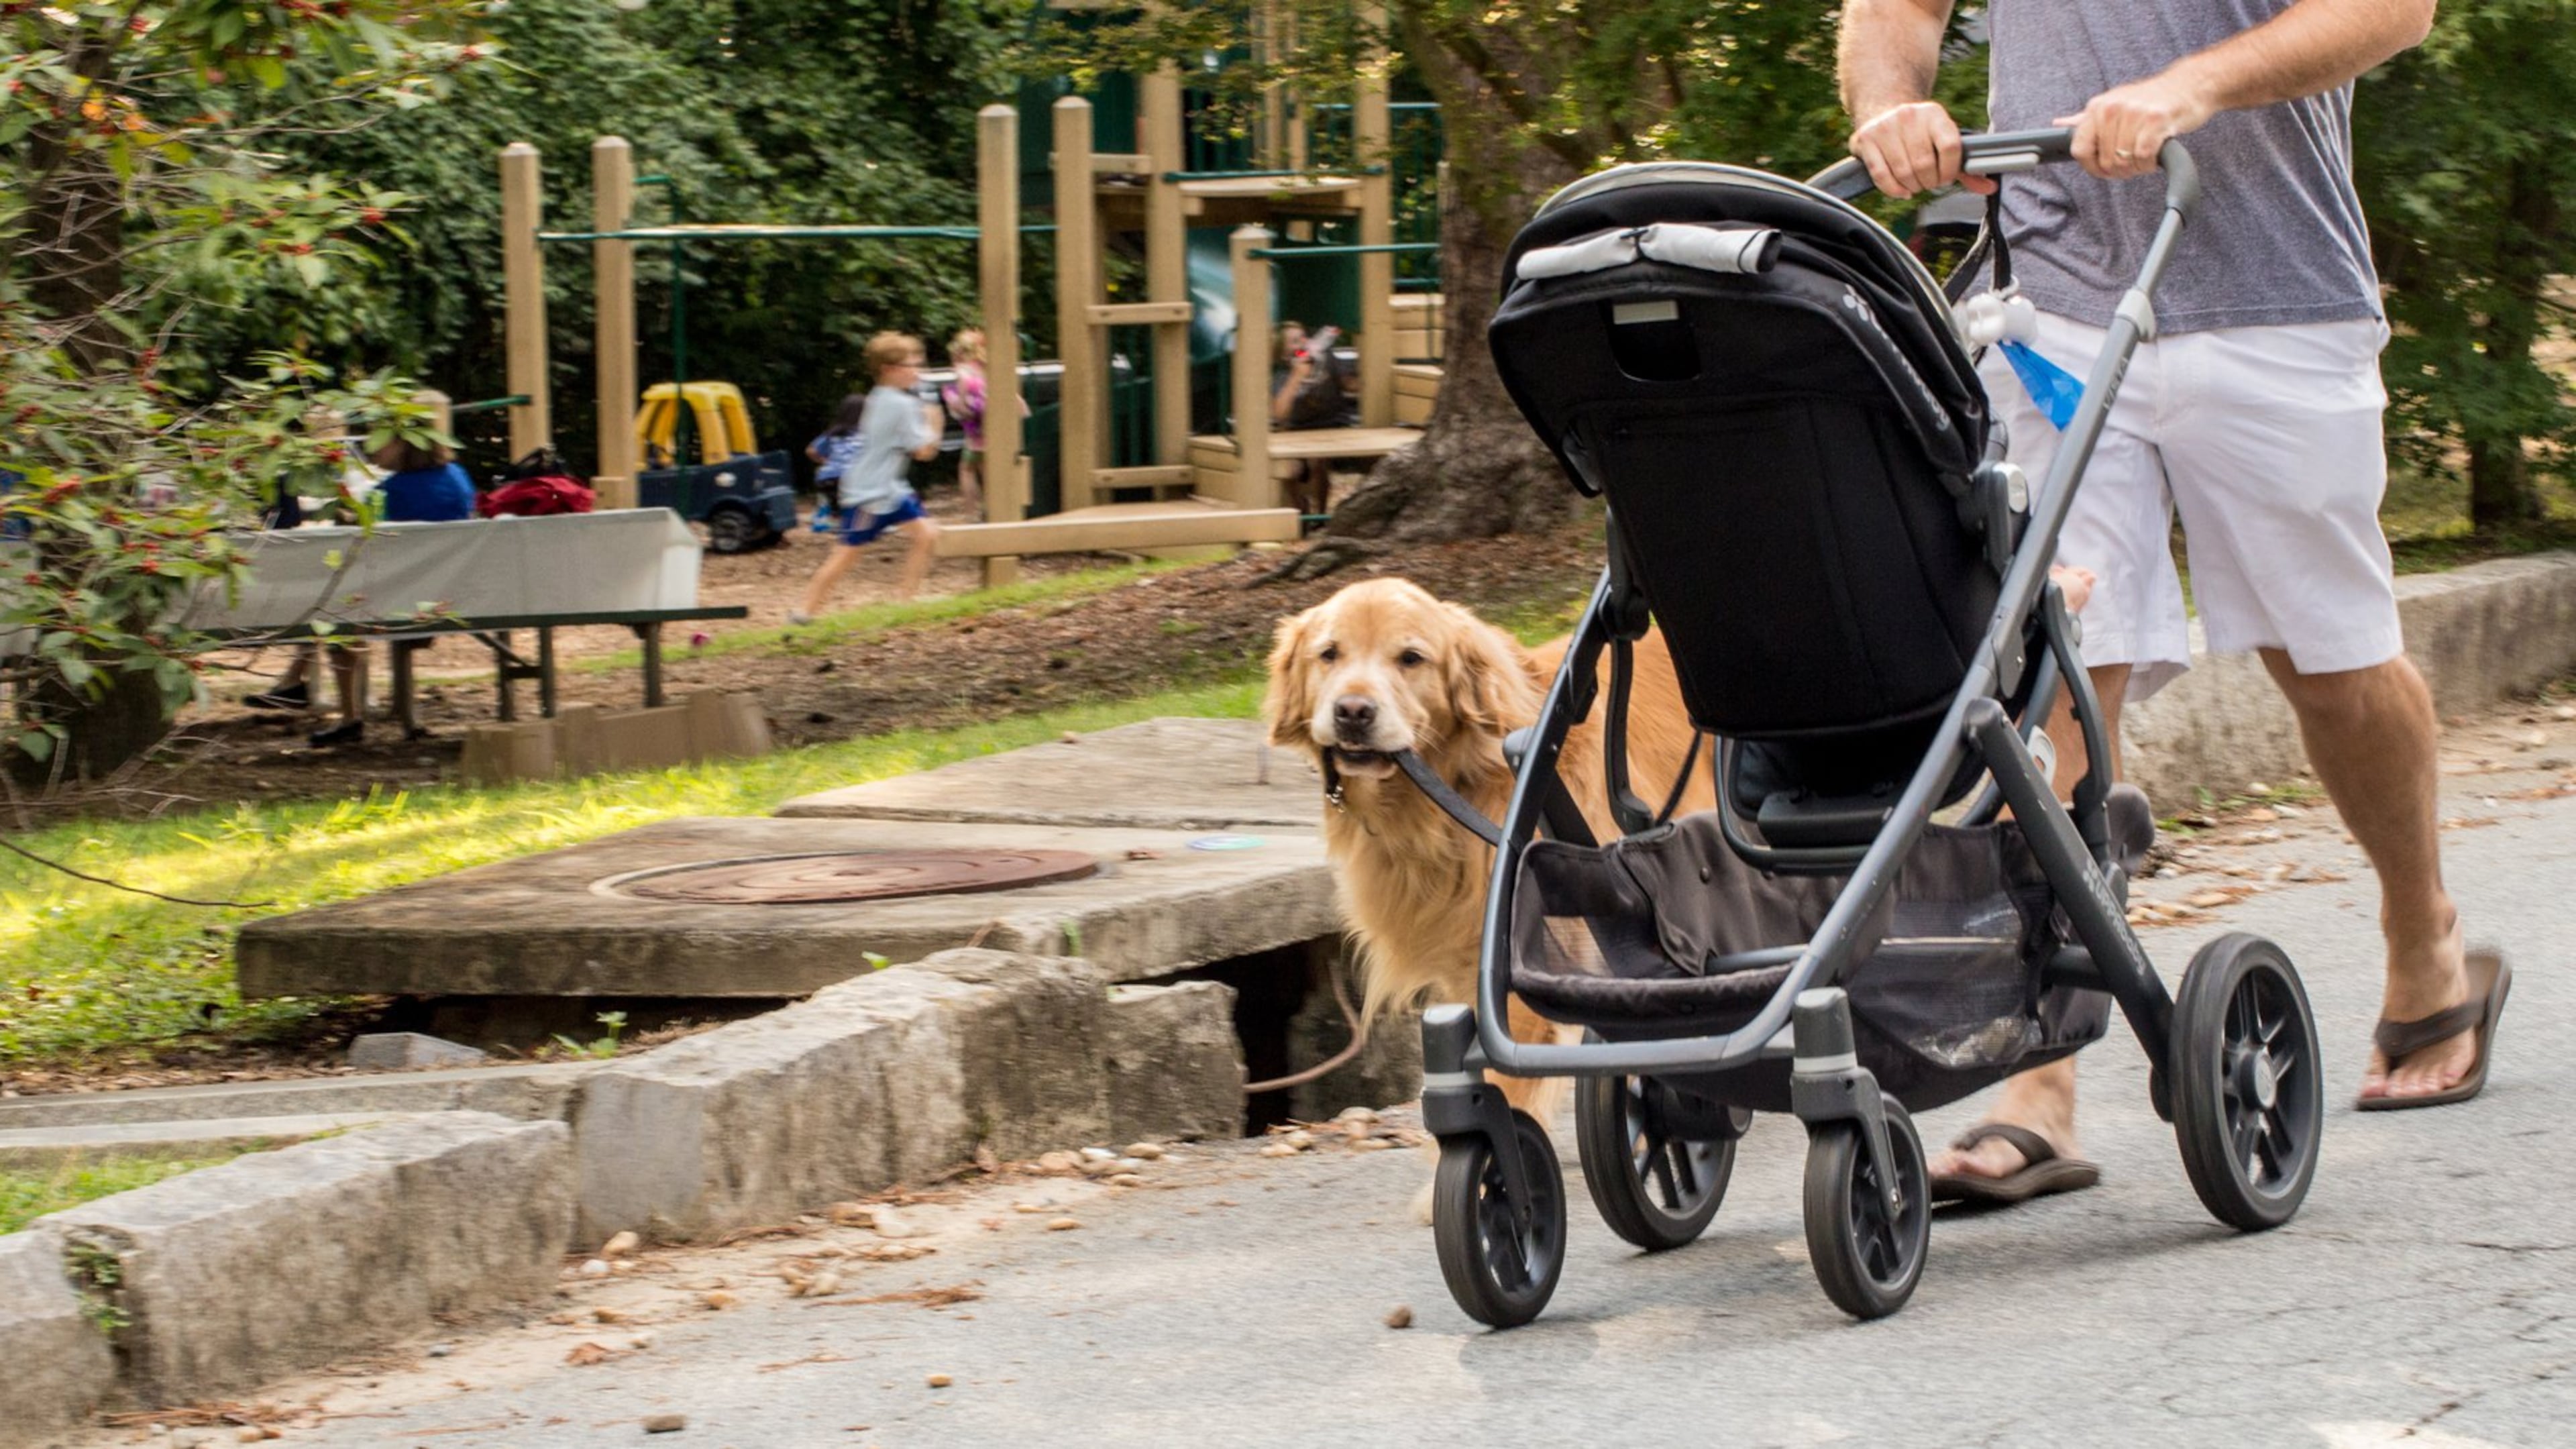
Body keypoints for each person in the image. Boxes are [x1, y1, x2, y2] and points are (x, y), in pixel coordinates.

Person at [1838, 0, 2496, 1204]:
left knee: (2335, 666)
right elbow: (1898, 11)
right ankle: (2039, 1071)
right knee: (2055, 670)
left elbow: (2396, 9)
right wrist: (1893, 107)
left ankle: (2422, 930)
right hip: (2056, 302)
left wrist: (2193, 88)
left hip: (2278, 295)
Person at [792, 333, 944, 620]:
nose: (917, 371)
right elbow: (924, 451)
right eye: (911, 365)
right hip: (870, 494)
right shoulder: (901, 405)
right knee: (848, 553)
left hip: (891, 489)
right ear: (889, 369)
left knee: (927, 535)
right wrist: (935, 424)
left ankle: (904, 602)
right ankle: (803, 612)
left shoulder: (881, 397)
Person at [1270, 320, 1357, 519]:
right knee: (1289, 467)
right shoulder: (1282, 374)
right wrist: (1297, 376)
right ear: (1284, 353)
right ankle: (1300, 508)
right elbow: (1280, 413)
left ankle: (1321, 514)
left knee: (1319, 462)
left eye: (1303, 338)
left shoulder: (1325, 358)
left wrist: (1348, 375)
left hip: (1331, 422)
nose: (1301, 344)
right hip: (1297, 428)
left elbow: (1351, 385)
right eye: (1294, 342)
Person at [940, 328, 989, 513]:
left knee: (966, 470)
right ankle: (992, 508)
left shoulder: (964, 372)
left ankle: (971, 512)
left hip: (975, 431)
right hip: (991, 427)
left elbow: (962, 406)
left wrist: (954, 403)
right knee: (986, 469)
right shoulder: (985, 369)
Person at [804, 391, 868, 533]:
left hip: (828, 480)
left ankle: (824, 515)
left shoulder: (832, 433)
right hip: (856, 481)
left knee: (824, 478)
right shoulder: (868, 433)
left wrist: (825, 461)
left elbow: (811, 450)